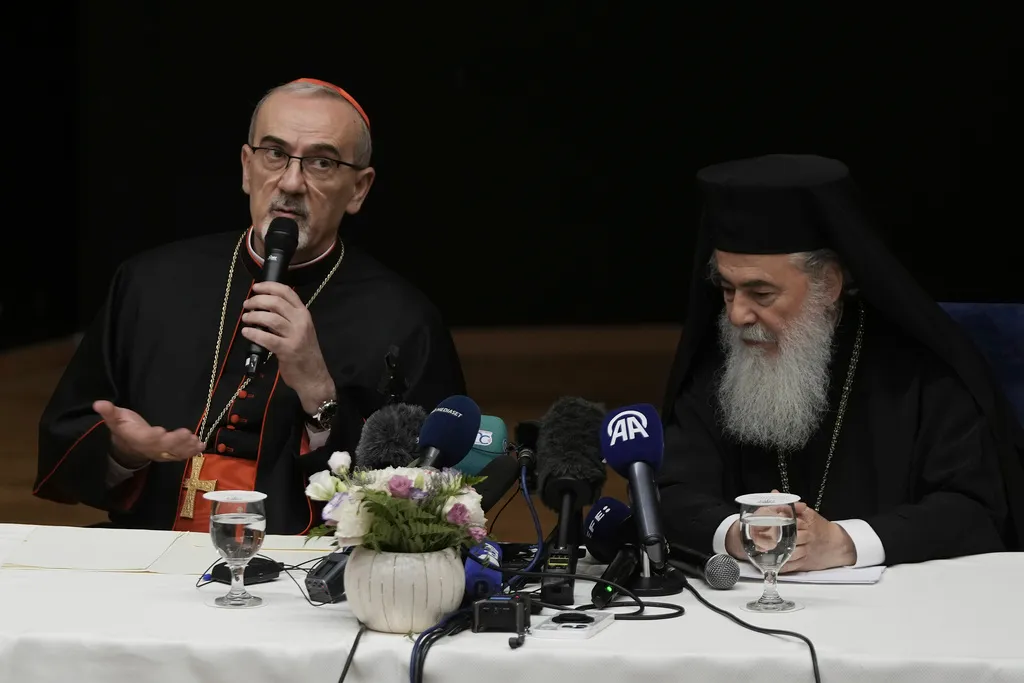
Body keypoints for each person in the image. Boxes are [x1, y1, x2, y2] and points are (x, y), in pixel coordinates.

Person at [34, 78, 466, 535]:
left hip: (302, 568)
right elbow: (67, 438)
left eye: (321, 162)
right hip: (151, 546)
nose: (291, 182)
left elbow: (426, 494)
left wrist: (319, 391)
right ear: (246, 167)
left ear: (358, 188)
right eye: (274, 154)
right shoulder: (150, 282)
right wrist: (123, 451)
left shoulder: (404, 319)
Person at [658, 154, 1024, 571]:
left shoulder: (922, 370)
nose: (738, 315)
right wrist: (736, 534)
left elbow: (974, 508)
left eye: (760, 294)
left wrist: (845, 542)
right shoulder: (718, 367)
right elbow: (671, 493)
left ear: (828, 283)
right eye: (727, 290)